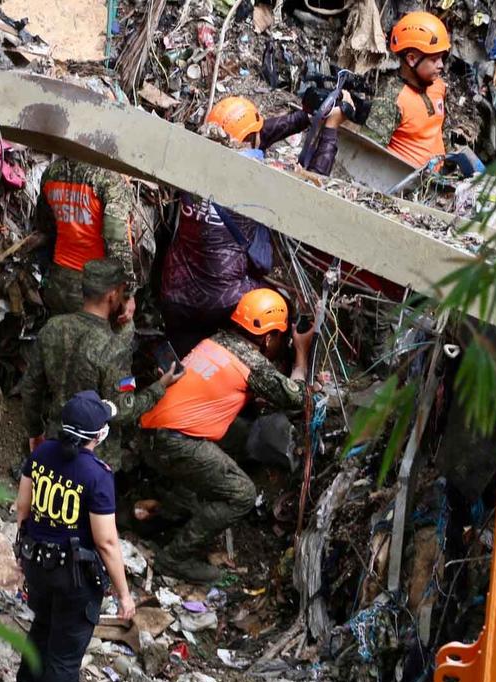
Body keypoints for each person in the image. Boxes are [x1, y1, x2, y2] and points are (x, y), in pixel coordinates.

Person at [139, 289, 314, 582]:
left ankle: (171, 511)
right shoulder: (253, 363)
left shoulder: (215, 341)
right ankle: (175, 557)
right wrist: (301, 353)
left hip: (152, 430)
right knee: (242, 494)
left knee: (242, 435)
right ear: (269, 338)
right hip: (175, 442)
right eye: (279, 338)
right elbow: (298, 397)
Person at [159, 96, 347, 357]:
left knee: (182, 360)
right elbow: (311, 195)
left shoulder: (196, 159)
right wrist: (330, 129)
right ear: (251, 137)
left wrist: (304, 118)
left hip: (173, 293)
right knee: (282, 309)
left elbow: (252, 137)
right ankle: (282, 367)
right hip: (222, 301)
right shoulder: (256, 182)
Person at [14, 390, 136, 682]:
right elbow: (106, 542)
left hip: (37, 564)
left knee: (42, 625)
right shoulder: (97, 475)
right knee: (65, 656)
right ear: (98, 435)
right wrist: (124, 595)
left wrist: (21, 553)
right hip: (73, 577)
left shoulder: (41, 453)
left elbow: (22, 508)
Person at [22, 258, 183, 466]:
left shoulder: (52, 328)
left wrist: (35, 432)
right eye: (122, 292)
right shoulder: (114, 348)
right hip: (95, 457)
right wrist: (159, 387)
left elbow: (31, 387)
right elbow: (124, 409)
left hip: (57, 441)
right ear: (112, 295)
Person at [36, 157, 138, 316]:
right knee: (116, 330)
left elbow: (45, 224)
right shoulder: (109, 177)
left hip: (58, 283)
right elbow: (116, 238)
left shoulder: (51, 172)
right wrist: (126, 293)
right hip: (94, 291)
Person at [385, 11, 451, 169]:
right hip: (405, 180)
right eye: (434, 59)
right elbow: (370, 152)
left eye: (442, 57)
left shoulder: (438, 86)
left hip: (436, 178)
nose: (441, 65)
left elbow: (438, 131)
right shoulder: (392, 99)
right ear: (412, 59)